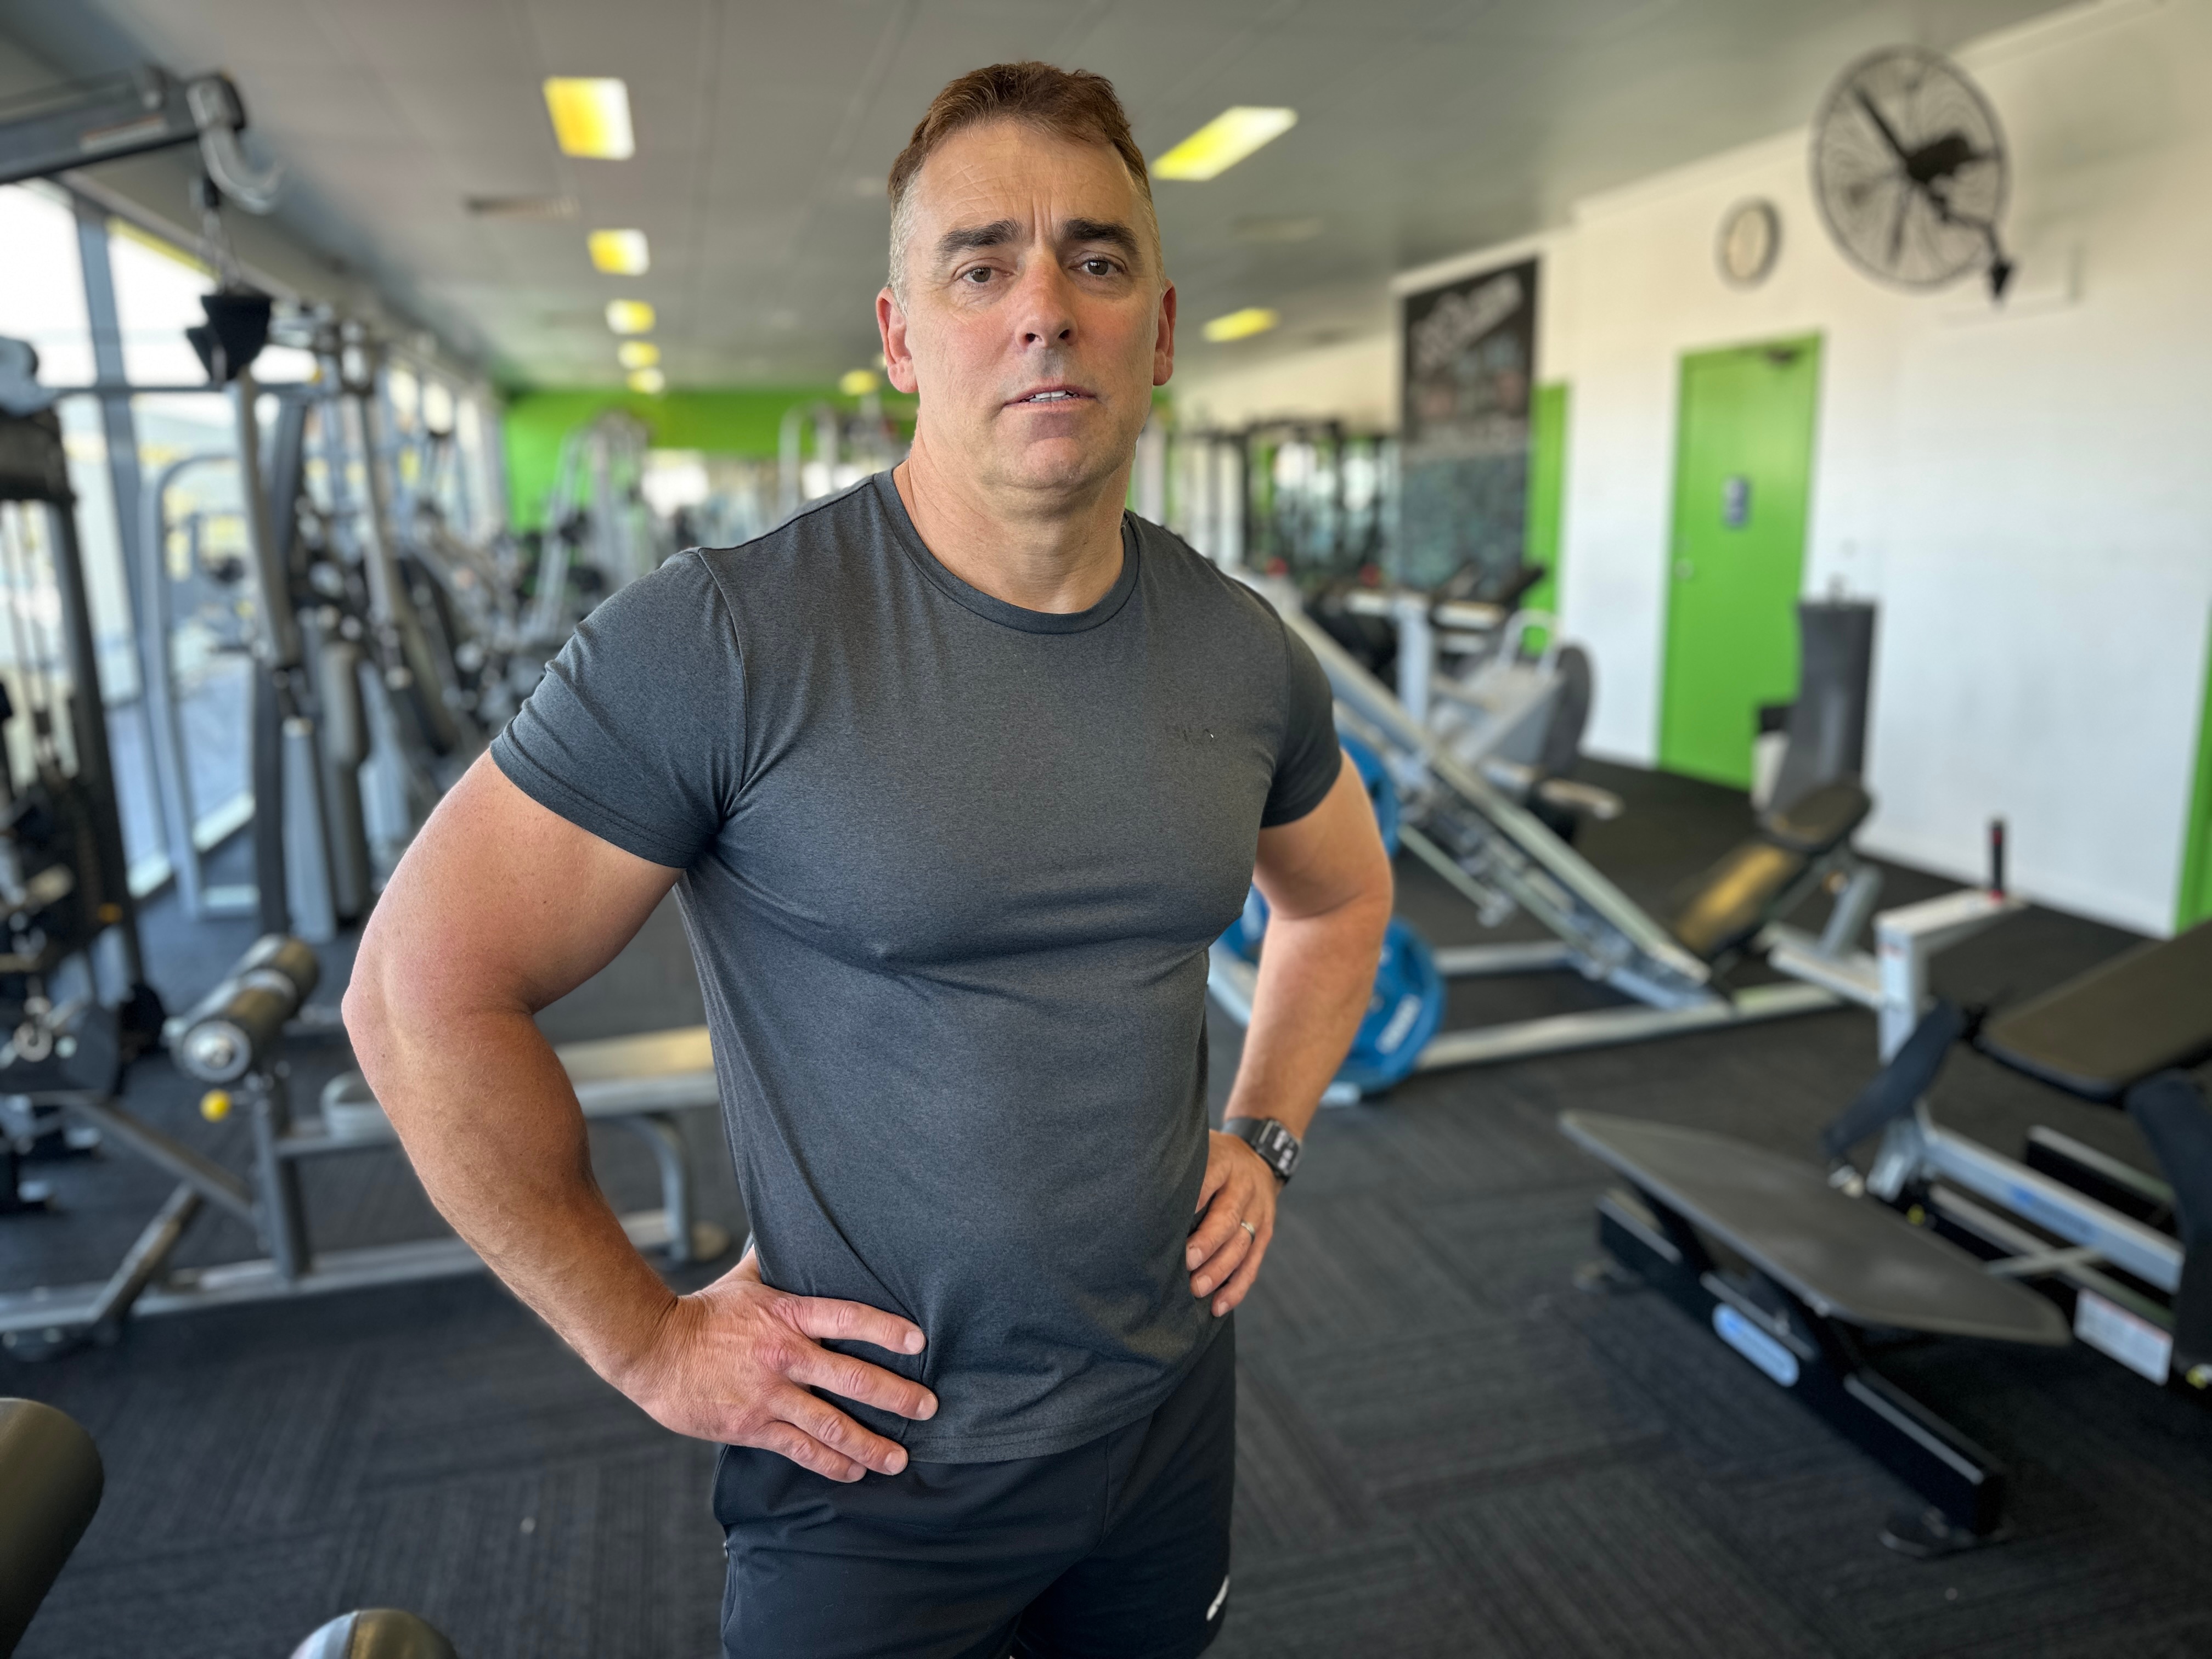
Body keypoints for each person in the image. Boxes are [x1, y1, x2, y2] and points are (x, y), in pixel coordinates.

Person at [345, 59, 1392, 1659]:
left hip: (1168, 1407)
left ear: (1162, 329)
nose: (1045, 311)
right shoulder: (724, 638)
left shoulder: (1244, 653)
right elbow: (418, 996)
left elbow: (1344, 897)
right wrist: (648, 1344)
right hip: (870, 1465)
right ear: (901, 337)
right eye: (982, 267)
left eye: (1097, 259)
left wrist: (1269, 1135)